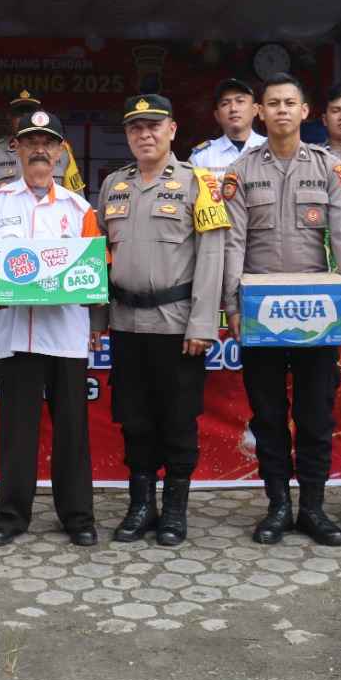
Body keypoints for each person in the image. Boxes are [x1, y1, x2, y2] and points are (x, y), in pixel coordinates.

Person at [223, 73, 341, 547]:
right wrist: (233, 306)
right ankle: (278, 506)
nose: (281, 110)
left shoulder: (328, 168)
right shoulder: (242, 171)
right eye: (273, 103)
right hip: (260, 313)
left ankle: (313, 508)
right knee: (267, 414)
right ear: (260, 113)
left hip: (319, 313)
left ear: (305, 112)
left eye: (290, 103)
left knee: (315, 414)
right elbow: (233, 243)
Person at [0, 109, 99, 548]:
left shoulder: (80, 209)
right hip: (14, 335)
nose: (40, 149)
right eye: (31, 141)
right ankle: (11, 516)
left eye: (48, 142)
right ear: (16, 148)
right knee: (17, 431)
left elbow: (97, 271)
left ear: (61, 152)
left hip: (67, 337)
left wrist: (92, 295)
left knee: (72, 430)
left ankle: (78, 517)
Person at [97, 94, 229, 547]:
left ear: (172, 130)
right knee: (133, 420)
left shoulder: (199, 183)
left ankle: (174, 509)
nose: (145, 135)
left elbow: (213, 256)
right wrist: (98, 319)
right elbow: (99, 256)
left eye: (153, 126)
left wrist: (203, 323)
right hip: (126, 324)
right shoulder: (113, 184)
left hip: (177, 326)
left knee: (177, 420)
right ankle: (141, 507)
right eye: (136, 128)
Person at [0, 90, 86, 199]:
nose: (25, 118)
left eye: (30, 113)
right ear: (9, 116)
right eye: (19, 113)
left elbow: (76, 199)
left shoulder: (60, 151)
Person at [188, 78, 263, 179]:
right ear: (217, 115)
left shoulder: (272, 148)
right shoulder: (202, 157)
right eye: (225, 104)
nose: (233, 109)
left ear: (255, 110)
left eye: (240, 101)